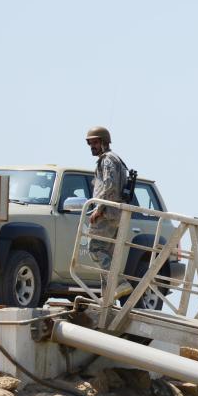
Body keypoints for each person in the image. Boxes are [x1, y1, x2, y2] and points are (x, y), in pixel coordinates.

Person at [85, 126, 131, 298]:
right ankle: (108, 296)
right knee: (107, 257)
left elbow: (109, 185)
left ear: (104, 142)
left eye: (95, 142)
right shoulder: (115, 159)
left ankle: (119, 283)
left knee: (95, 249)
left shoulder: (107, 160)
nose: (92, 146)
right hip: (114, 213)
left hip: (107, 214)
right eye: (90, 143)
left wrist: (98, 209)